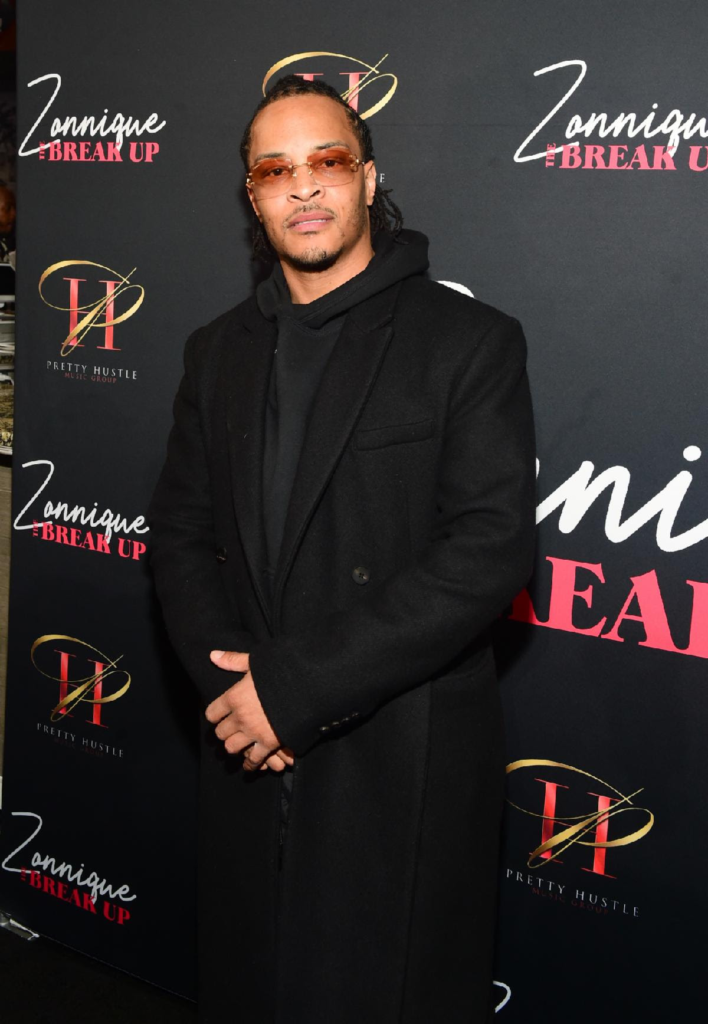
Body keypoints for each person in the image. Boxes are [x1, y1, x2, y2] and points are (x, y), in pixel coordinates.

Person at [148, 74, 536, 1024]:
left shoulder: (469, 340)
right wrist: (237, 697)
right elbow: (181, 532)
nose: (304, 187)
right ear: (253, 197)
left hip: (400, 753)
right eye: (274, 170)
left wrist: (295, 690)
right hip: (249, 751)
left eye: (326, 160)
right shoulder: (216, 350)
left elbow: (489, 549)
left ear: (368, 177)